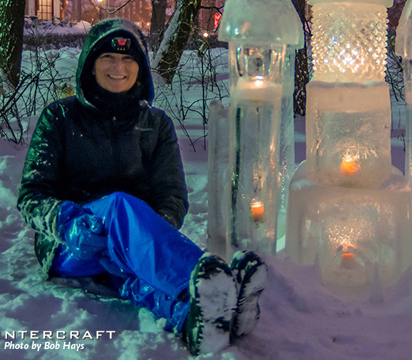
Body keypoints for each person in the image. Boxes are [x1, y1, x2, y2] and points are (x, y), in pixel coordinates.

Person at [18, 18, 267, 355]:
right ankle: (212, 290)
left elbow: (172, 195)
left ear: (141, 69)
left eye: (128, 59)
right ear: (90, 64)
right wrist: (66, 222)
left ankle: (196, 320)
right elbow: (32, 194)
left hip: (126, 246)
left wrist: (149, 238)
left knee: (132, 275)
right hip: (69, 244)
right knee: (120, 205)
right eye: (108, 57)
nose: (118, 67)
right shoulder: (60, 118)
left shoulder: (156, 125)